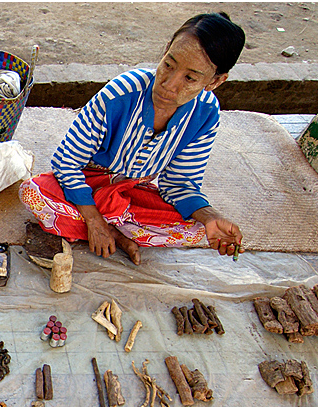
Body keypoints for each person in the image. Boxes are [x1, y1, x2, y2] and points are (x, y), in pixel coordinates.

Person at [20, 13, 246, 265]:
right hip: (89, 182)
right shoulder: (121, 93)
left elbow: (179, 184)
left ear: (215, 81)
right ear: (164, 52)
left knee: (194, 230)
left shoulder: (206, 113)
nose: (169, 85)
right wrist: (94, 220)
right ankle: (115, 231)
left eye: (190, 78)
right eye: (169, 64)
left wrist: (210, 216)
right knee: (35, 192)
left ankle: (101, 227)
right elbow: (66, 163)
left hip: (132, 190)